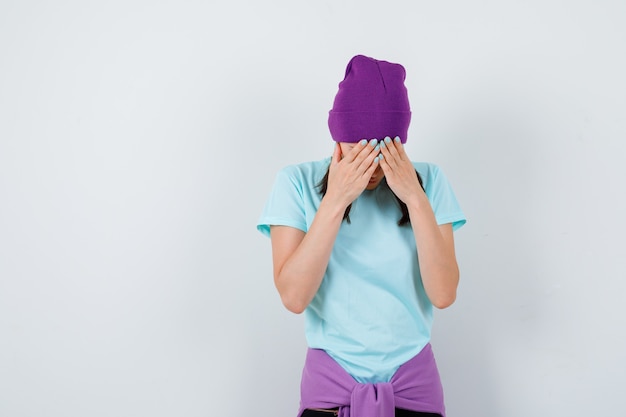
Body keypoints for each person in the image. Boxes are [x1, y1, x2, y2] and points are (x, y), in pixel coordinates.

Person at [257, 55, 466, 417]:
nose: (371, 166)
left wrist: (414, 197)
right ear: (338, 136)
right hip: (330, 390)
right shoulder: (296, 183)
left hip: (413, 387)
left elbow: (444, 294)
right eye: (358, 149)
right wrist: (337, 198)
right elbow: (293, 297)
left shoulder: (430, 182)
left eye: (383, 150)